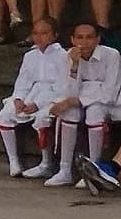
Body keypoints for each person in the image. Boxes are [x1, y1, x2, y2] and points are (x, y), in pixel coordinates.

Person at [45, 22, 121, 187]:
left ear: (98, 39)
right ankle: (64, 169)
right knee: (68, 112)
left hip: (110, 104)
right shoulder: (69, 56)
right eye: (80, 37)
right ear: (72, 39)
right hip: (82, 99)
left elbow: (109, 93)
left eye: (89, 37)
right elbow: (69, 91)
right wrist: (75, 66)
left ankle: (93, 169)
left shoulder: (112, 55)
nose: (84, 42)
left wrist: (76, 100)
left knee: (94, 112)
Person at [0, 18, 67, 178]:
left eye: (44, 33)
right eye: (35, 33)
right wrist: (19, 98)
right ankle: (14, 161)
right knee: (5, 114)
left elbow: (61, 85)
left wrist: (37, 104)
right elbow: (23, 80)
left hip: (52, 96)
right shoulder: (30, 56)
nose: (39, 37)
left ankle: (47, 163)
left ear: (54, 35)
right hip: (32, 92)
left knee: (43, 118)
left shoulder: (62, 56)